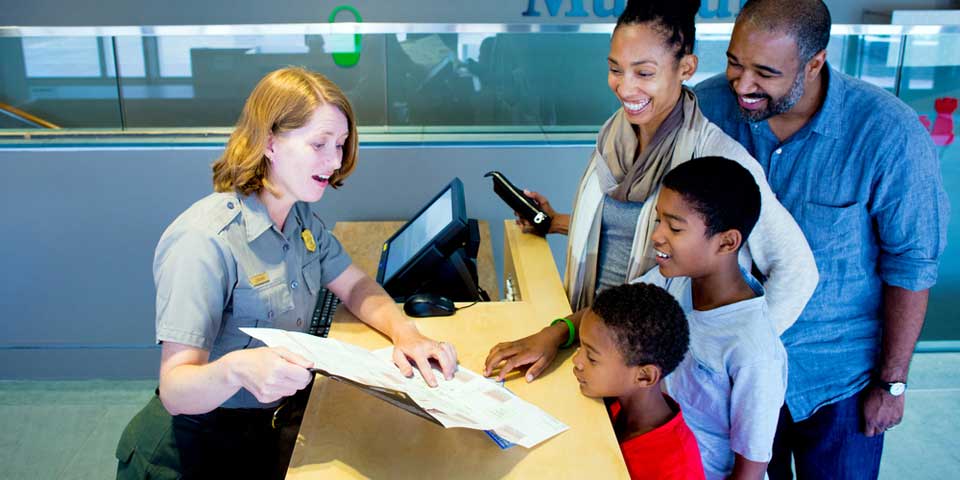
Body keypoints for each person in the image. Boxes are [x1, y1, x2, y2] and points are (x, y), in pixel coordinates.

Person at [115, 67, 459, 479]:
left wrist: (408, 335)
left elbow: (355, 285)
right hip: (192, 449)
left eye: (341, 145)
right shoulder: (204, 240)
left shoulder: (300, 219)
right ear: (269, 143)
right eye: (319, 144)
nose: (334, 162)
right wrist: (238, 368)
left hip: (265, 432)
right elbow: (175, 389)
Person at [484, 0, 817, 382]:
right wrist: (557, 222)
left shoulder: (717, 159)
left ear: (686, 68)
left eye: (644, 73)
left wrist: (720, 360)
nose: (625, 87)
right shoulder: (615, 134)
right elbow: (625, 229)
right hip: (591, 343)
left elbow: (797, 271)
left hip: (650, 377)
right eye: (615, 69)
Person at [692, 1, 950, 478]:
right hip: (728, 375)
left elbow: (911, 267)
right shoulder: (705, 111)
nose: (743, 85)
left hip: (835, 383)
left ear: (814, 63)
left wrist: (891, 385)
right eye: (733, 62)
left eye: (765, 73)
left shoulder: (887, 133)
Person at [636, 157, 789, 480]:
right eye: (658, 221)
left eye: (675, 227)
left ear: (727, 242)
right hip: (659, 458)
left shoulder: (754, 352)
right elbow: (619, 308)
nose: (657, 236)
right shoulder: (675, 279)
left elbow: (749, 470)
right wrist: (555, 334)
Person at [573, 282, 705, 480]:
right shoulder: (617, 402)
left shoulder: (677, 469)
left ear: (645, 376)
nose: (577, 361)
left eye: (591, 358)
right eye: (580, 347)